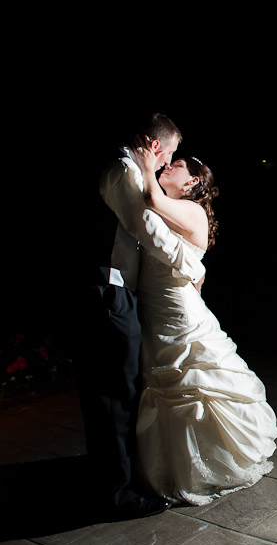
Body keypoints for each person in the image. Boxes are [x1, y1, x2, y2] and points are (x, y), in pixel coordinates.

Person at [131, 151, 277, 505]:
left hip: (177, 312)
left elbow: (150, 197)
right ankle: (172, 464)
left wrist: (146, 165)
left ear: (192, 182)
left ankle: (207, 465)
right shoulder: (171, 207)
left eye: (177, 165)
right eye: (169, 163)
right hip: (156, 309)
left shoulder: (192, 210)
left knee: (193, 384)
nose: (169, 166)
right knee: (167, 385)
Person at [82, 113, 205, 519]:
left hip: (123, 291)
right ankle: (116, 494)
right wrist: (193, 266)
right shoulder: (124, 171)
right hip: (109, 289)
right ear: (156, 146)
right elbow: (146, 227)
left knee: (121, 388)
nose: (168, 163)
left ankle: (120, 478)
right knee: (114, 393)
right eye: (169, 155)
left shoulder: (135, 171)